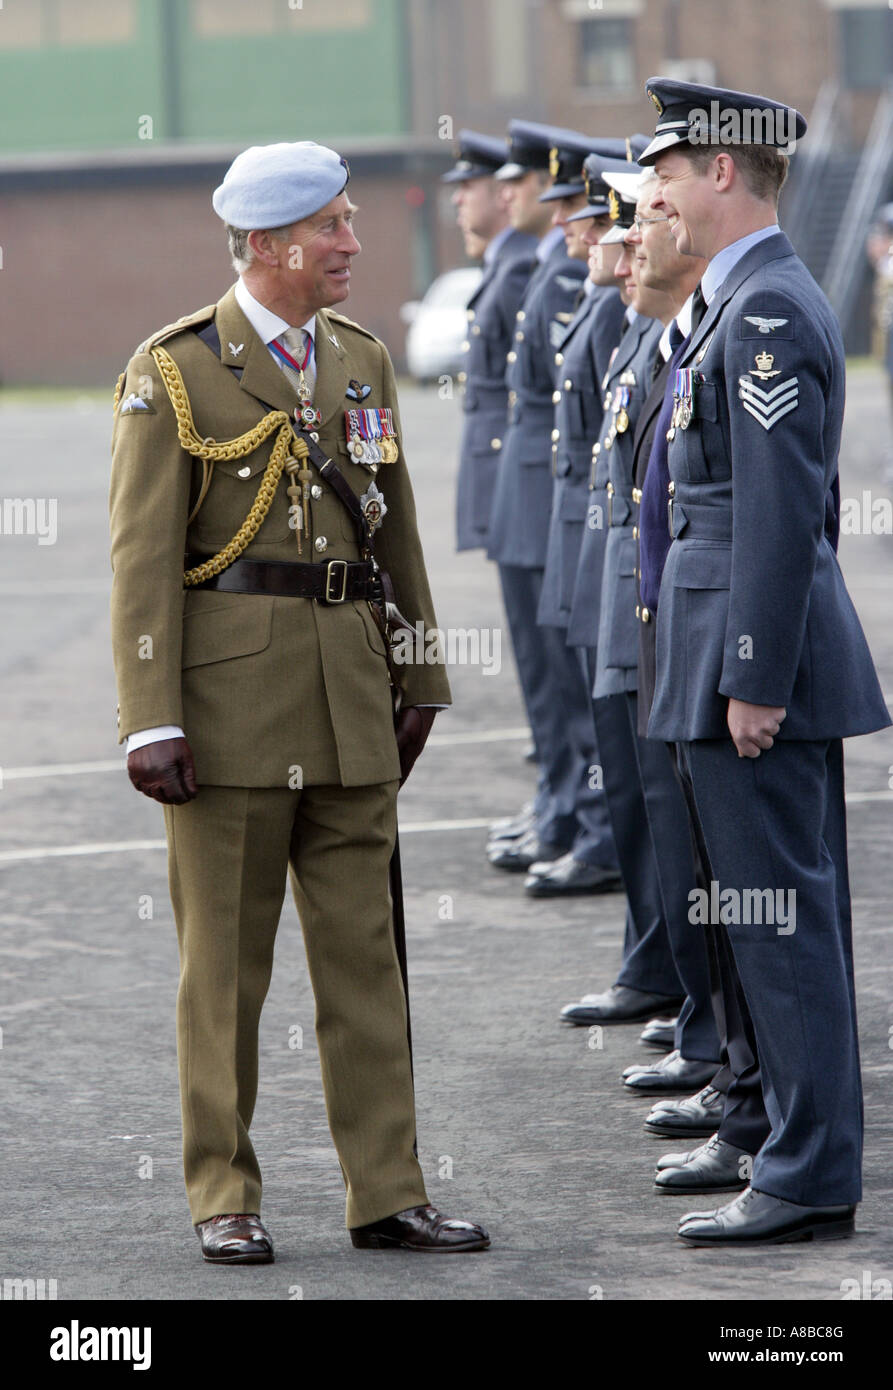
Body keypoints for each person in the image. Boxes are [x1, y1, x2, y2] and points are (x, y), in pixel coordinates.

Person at [109, 140, 489, 1262]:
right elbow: (140, 562)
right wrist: (149, 716)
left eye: (348, 222)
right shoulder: (174, 368)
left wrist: (418, 675)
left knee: (367, 959)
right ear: (271, 245)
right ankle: (223, 1190)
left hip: (350, 699)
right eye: (333, 227)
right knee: (223, 973)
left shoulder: (361, 360)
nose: (352, 245)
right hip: (225, 717)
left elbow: (397, 542)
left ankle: (387, 1189)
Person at [640, 79, 890, 1245]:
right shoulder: (735, 301)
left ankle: (805, 1173)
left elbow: (781, 512)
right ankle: (776, 1140)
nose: (660, 194)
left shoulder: (767, 309)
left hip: (749, 666)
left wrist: (752, 673)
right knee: (757, 923)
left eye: (673, 170)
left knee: (780, 928)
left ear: (723, 171)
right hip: (716, 656)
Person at [486, 122, 618, 890]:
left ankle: (585, 820)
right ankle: (568, 809)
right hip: (545, 490)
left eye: (582, 211)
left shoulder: (582, 286)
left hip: (567, 501)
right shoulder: (564, 275)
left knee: (577, 688)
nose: (565, 220)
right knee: (556, 683)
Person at [444, 130, 537, 553]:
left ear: (502, 192)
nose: (457, 199)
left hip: (512, 471)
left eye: (467, 186)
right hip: (499, 467)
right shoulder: (503, 264)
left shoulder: (519, 268)